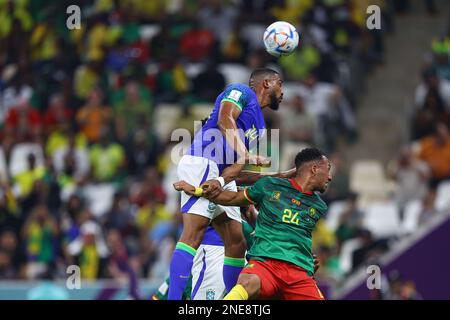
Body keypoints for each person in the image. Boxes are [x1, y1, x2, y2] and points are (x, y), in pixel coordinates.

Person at [167, 68, 287, 300]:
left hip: (220, 173)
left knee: (236, 241)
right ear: (267, 83)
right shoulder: (240, 91)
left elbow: (236, 170)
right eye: (280, 84)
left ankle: (232, 299)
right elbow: (225, 119)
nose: (283, 92)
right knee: (194, 233)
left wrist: (275, 178)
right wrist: (245, 155)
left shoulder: (260, 127)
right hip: (203, 161)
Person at [174, 148, 331, 300]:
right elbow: (230, 198)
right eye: (328, 169)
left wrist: (308, 260)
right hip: (265, 265)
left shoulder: (319, 206)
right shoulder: (270, 186)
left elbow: (295, 233)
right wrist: (197, 190)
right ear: (315, 168)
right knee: (247, 284)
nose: (330, 177)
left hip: (299, 272)